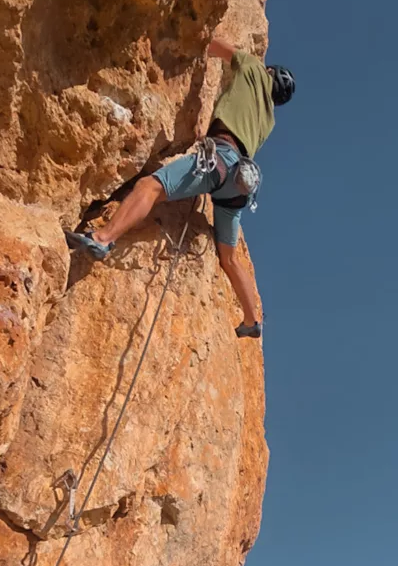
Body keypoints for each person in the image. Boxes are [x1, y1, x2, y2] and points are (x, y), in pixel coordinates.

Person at [65, 36, 295, 339]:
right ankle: (252, 320)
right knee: (229, 257)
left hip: (219, 160)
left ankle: (103, 239)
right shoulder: (269, 121)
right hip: (239, 184)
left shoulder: (252, 66)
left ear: (269, 72)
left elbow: (210, 43)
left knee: (149, 186)